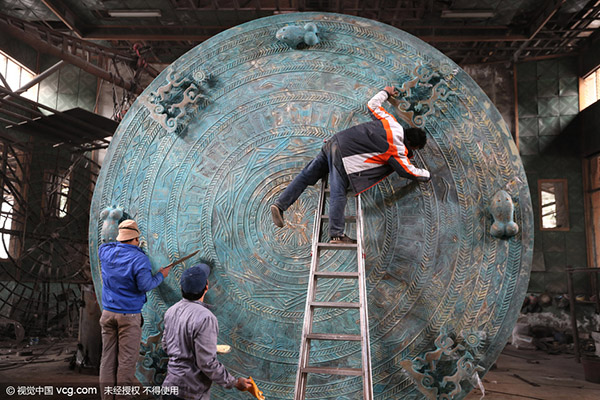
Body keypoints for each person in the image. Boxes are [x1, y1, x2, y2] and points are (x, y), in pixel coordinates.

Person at [271, 86, 431, 243]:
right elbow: (407, 171)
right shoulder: (397, 148)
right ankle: (337, 235)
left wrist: (386, 93)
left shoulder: (390, 122)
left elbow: (372, 104)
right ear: (411, 144)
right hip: (344, 157)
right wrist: (428, 174)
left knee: (306, 176)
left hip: (333, 142)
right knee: (338, 192)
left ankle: (280, 204)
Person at [98, 219, 172, 399]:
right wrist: (161, 275)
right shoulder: (139, 259)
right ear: (135, 239)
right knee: (126, 363)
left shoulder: (105, 252)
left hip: (107, 314)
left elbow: (109, 244)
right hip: (128, 317)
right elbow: (145, 285)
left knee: (107, 359)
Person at [161, 263, 252, 400]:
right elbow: (206, 363)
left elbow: (166, 345)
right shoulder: (206, 318)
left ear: (181, 287)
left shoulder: (171, 311)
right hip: (191, 392)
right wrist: (234, 382)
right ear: (206, 287)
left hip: (170, 387)